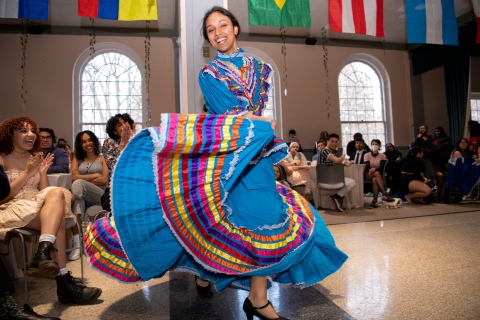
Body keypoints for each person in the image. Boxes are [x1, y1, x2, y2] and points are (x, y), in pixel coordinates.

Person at [83, 6, 347, 320]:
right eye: (211, 30)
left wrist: (262, 129)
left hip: (257, 154)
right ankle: (214, 274)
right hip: (229, 156)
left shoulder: (260, 67)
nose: (218, 32)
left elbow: (256, 108)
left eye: (223, 25)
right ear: (208, 38)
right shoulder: (209, 74)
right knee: (213, 219)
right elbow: (228, 114)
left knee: (267, 220)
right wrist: (257, 122)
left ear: (235, 28)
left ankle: (256, 297)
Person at [0, 117, 101, 306]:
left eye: (32, 130)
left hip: (38, 204)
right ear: (9, 135)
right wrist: (28, 172)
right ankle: (64, 283)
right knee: (58, 219)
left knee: (55, 204)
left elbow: (43, 191)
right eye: (23, 131)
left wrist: (42, 173)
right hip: (14, 206)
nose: (30, 134)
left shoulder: (35, 156)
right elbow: (3, 196)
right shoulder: (2, 157)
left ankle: (44, 253)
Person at [69, 130, 108, 261]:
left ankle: (69, 202)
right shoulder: (77, 158)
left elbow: (104, 180)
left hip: (99, 195)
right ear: (80, 144)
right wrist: (94, 175)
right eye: (84, 141)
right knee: (78, 202)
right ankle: (78, 243)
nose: (88, 143)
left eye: (90, 140)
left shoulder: (102, 158)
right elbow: (72, 177)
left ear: (94, 141)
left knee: (78, 185)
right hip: (82, 195)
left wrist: (82, 179)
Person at [319, 133, 356, 212]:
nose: (334, 143)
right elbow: (337, 161)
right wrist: (342, 159)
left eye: (336, 142)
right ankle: (337, 197)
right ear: (327, 141)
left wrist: (346, 163)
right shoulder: (324, 151)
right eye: (332, 141)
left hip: (331, 179)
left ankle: (337, 197)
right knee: (352, 182)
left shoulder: (331, 153)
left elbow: (338, 162)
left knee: (351, 182)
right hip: (326, 181)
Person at [364, 139, 392, 208]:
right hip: (368, 174)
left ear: (379, 146)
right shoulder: (367, 155)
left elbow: (382, 167)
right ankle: (384, 193)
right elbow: (367, 166)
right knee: (375, 174)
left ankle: (374, 201)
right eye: (373, 144)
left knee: (375, 180)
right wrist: (371, 170)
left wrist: (375, 169)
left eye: (376, 144)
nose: (374, 146)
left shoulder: (382, 155)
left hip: (378, 175)